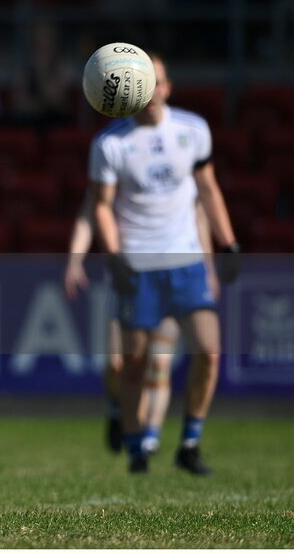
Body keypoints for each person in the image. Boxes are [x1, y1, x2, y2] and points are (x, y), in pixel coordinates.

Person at [88, 53, 240, 475]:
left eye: (157, 82)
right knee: (134, 363)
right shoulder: (110, 143)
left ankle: (189, 442)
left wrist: (227, 244)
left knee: (209, 352)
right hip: (138, 265)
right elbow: (101, 207)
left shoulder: (193, 131)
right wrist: (114, 255)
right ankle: (137, 447)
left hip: (188, 261)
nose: (150, 91)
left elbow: (209, 191)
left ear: (168, 88)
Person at [65, 193, 219, 456]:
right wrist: (75, 259)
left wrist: (209, 268)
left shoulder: (181, 168)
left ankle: (150, 436)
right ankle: (116, 409)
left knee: (159, 363)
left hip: (176, 275)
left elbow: (199, 216)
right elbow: (91, 210)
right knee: (118, 363)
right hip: (132, 279)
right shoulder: (120, 164)